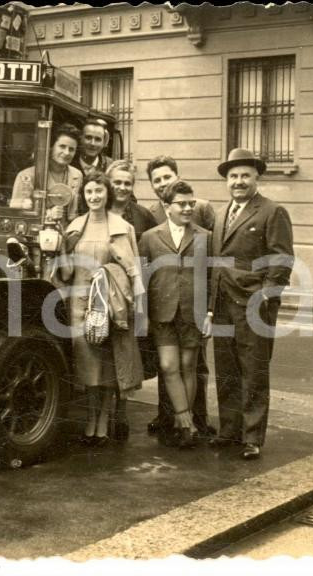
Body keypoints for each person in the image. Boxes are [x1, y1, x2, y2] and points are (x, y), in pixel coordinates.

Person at [208, 148, 294, 460]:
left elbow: (282, 261)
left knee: (253, 370)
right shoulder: (221, 215)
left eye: (245, 175)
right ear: (226, 181)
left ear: (257, 178)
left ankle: (252, 437)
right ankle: (229, 431)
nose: (239, 181)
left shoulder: (272, 211)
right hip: (222, 305)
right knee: (226, 369)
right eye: (233, 176)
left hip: (253, 306)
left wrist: (265, 300)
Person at [59, 172, 144, 445]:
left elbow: (133, 270)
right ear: (84, 196)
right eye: (89, 192)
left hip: (110, 303)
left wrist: (136, 303)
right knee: (87, 366)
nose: (94, 197)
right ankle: (90, 419)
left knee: (109, 366)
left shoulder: (121, 226)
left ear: (107, 194)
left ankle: (103, 421)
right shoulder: (75, 226)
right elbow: (65, 271)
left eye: (99, 191)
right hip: (79, 304)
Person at [144, 155, 216, 440]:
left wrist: (210, 312)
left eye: (190, 204)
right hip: (162, 313)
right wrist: (144, 316)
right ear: (166, 207)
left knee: (189, 366)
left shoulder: (205, 236)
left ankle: (186, 426)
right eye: (181, 204)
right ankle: (183, 419)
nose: (187, 208)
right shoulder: (150, 236)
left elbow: (214, 277)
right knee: (168, 366)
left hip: (193, 313)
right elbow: (144, 277)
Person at [104, 159, 157, 440]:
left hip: (129, 295)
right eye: (117, 182)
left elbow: (149, 256)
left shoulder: (142, 216)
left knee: (125, 353)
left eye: (127, 183)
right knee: (101, 354)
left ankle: (120, 412)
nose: (122, 188)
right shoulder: (95, 209)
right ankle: (99, 414)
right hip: (100, 294)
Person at [10, 123, 83, 220]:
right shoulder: (26, 175)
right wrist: (48, 214)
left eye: (71, 149)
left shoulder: (77, 175)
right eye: (62, 146)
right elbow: (16, 213)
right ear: (51, 147)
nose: (66, 153)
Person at [72, 119, 113, 216]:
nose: (92, 143)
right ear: (81, 139)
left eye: (98, 139)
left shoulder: (111, 167)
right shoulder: (70, 163)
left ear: (104, 143)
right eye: (88, 137)